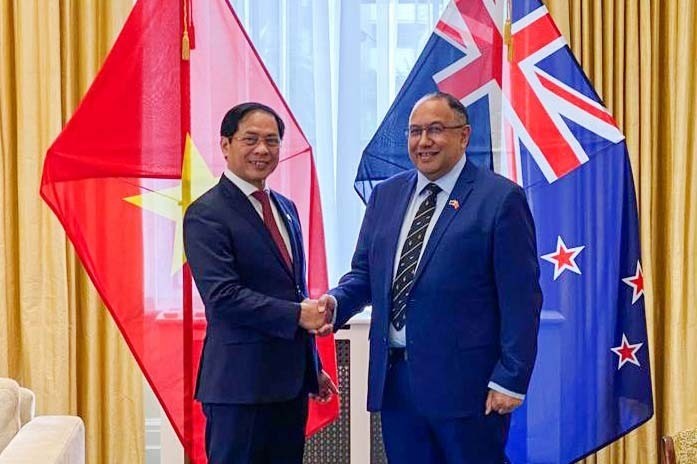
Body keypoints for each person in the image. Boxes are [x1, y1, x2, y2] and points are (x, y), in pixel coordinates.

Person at [320, 92, 542, 463]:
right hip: (397, 384)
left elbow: (521, 299)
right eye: (415, 132)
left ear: (464, 135)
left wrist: (511, 378)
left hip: (468, 387)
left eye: (436, 130)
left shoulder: (500, 199)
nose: (423, 141)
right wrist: (335, 302)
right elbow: (364, 274)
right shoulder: (385, 196)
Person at [183, 102, 337, 463]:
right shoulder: (206, 214)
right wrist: (299, 315)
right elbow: (223, 296)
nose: (262, 150)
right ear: (225, 145)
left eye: (271, 141)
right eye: (250, 139)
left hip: (289, 387)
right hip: (239, 388)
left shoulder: (285, 207)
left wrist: (311, 367)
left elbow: (291, 290)